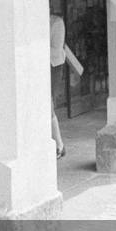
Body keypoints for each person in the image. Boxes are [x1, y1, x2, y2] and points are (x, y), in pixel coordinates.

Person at [49, 12, 67, 159]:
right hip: (37, 64)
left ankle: (59, 145)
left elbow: (56, 49)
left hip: (53, 66)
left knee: (48, 103)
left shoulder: (57, 23)